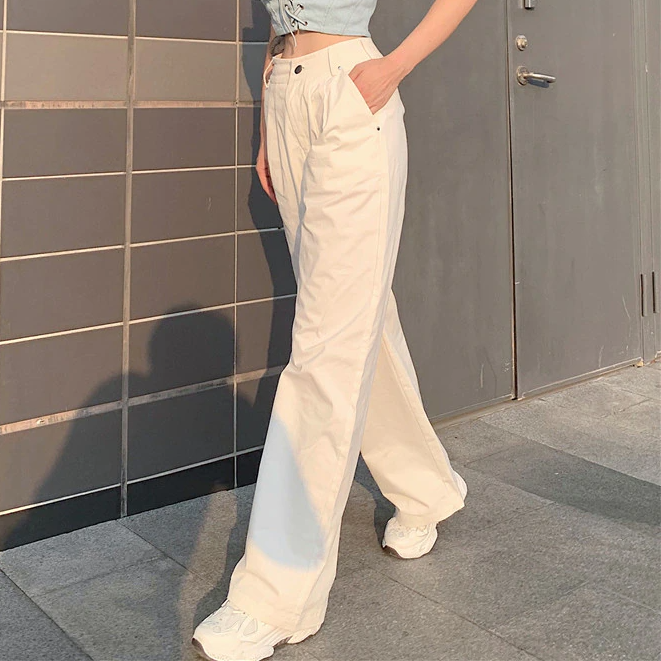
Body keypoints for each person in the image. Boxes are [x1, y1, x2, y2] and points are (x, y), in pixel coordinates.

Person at [192, 1, 480, 659]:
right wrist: (268, 122)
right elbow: (280, 24)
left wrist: (394, 66)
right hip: (286, 97)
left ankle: (275, 597)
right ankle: (426, 490)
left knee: (325, 346)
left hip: (352, 93)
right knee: (357, 322)